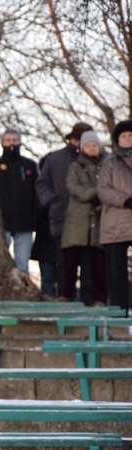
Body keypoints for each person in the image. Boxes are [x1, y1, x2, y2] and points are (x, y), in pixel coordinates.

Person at [36, 121, 94, 299]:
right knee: (65, 265)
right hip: (62, 220)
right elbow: (41, 184)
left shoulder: (98, 159)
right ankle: (65, 303)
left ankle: (89, 303)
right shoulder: (55, 159)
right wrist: (53, 201)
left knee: (90, 265)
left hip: (91, 222)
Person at [61, 130, 107, 305]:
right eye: (88, 145)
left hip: (99, 222)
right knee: (71, 262)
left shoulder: (107, 164)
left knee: (98, 265)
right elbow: (74, 188)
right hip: (77, 222)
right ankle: (67, 294)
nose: (92, 148)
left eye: (95, 145)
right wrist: (99, 192)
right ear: (82, 148)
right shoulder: (75, 166)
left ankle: (99, 298)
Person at [0, 128, 39, 275]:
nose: (12, 143)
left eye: (14, 140)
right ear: (2, 143)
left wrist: (34, 216)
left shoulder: (29, 165)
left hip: (25, 224)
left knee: (22, 265)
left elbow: (37, 192)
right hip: (1, 223)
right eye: (8, 140)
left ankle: (23, 296)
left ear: (20, 142)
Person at [98, 119, 132, 315]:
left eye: (130, 135)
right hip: (115, 223)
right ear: (118, 139)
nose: (128, 139)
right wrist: (126, 200)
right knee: (116, 272)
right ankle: (119, 312)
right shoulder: (109, 163)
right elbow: (103, 189)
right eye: (124, 136)